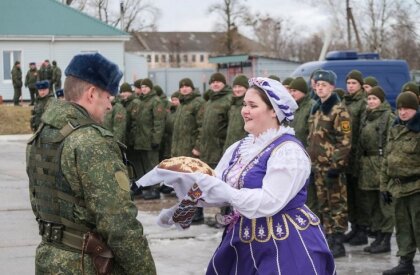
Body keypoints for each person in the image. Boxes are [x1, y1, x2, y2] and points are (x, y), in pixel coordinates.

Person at [140, 77, 336, 274]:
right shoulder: (240, 147)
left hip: (283, 243)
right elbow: (216, 186)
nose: (245, 111)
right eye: (244, 104)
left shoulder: (288, 151)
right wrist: (186, 204)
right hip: (241, 238)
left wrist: (226, 192)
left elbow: (270, 201)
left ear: (274, 111)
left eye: (252, 105)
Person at [26, 52, 156, 274]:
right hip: (85, 264)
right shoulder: (90, 142)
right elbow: (119, 223)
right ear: (92, 93)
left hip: (50, 259)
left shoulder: (44, 133)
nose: (109, 106)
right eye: (108, 97)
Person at [307, 69, 352, 258]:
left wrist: (337, 166)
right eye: (317, 85)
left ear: (332, 87)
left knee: (337, 204)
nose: (319, 88)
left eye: (323, 85)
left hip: (333, 168)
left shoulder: (339, 111)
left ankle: (338, 242)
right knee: (323, 204)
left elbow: (345, 141)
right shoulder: (316, 109)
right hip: (317, 167)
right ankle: (328, 237)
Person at [381, 91, 420, 275]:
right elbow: (387, 159)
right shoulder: (395, 128)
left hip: (416, 188)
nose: (403, 112)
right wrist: (384, 186)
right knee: (403, 229)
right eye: (400, 108)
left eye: (407, 109)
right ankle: (406, 263)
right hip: (397, 188)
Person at [357, 86, 395, 254]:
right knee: (371, 203)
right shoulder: (366, 116)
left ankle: (385, 238)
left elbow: (390, 143)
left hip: (380, 164)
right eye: (369, 99)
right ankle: (378, 234)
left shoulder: (388, 117)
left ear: (381, 100)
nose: (371, 102)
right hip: (366, 166)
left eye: (374, 99)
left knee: (384, 204)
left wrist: (387, 167)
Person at [195, 72, 232, 222]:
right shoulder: (208, 101)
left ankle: (225, 216)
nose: (215, 84)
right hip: (206, 150)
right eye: (213, 82)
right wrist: (198, 145)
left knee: (222, 185)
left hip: (220, 150)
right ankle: (197, 214)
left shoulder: (228, 100)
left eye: (218, 82)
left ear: (223, 84)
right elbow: (202, 127)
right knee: (201, 182)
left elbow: (230, 127)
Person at [342, 69, 368, 246]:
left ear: (360, 85)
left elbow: (361, 131)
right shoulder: (345, 101)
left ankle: (363, 231)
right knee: (350, 195)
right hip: (346, 155)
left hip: (357, 155)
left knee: (360, 197)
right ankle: (355, 228)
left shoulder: (363, 102)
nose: (350, 86)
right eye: (349, 83)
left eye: (354, 83)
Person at [288, 76, 317, 216]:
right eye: (291, 90)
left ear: (303, 92)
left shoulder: (311, 106)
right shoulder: (293, 108)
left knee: (309, 195)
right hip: (292, 157)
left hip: (306, 156)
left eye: (295, 91)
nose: (292, 93)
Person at [135, 78, 166, 200]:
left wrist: (156, 139)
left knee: (153, 166)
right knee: (144, 166)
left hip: (150, 140)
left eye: (146, 87)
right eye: (142, 87)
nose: (144, 89)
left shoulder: (155, 101)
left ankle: (155, 189)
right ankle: (146, 187)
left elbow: (159, 122)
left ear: (151, 88)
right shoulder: (141, 102)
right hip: (141, 140)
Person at [223, 74, 248, 151]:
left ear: (247, 88)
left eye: (240, 87)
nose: (237, 89)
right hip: (229, 147)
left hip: (242, 148)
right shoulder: (232, 106)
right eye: (235, 87)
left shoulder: (248, 106)